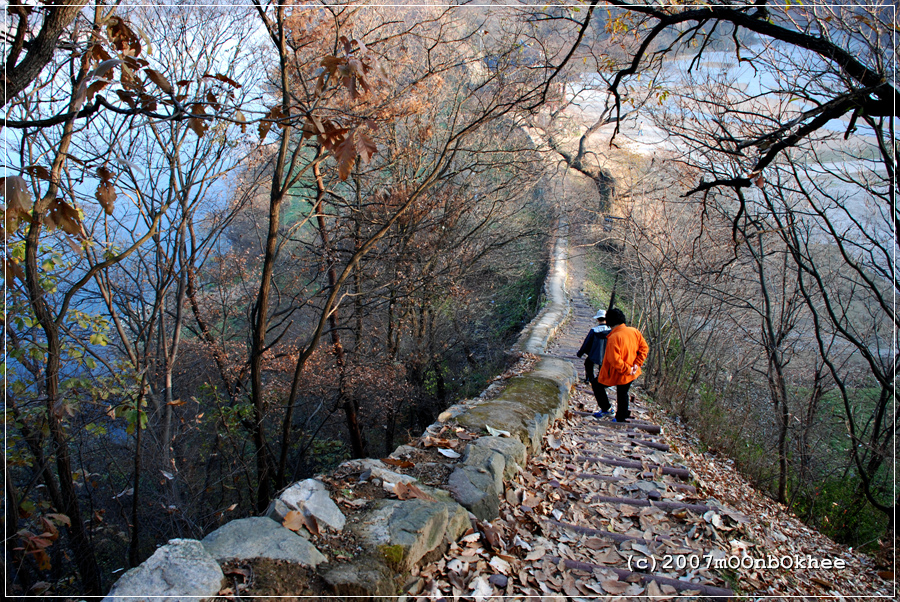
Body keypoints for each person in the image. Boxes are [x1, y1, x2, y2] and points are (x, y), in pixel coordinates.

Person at [597, 308, 648, 423]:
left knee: (598, 385)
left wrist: (628, 369)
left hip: (620, 372)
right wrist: (636, 364)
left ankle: (609, 410)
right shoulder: (634, 331)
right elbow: (644, 348)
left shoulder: (614, 338)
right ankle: (620, 417)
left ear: (609, 321)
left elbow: (614, 360)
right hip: (633, 371)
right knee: (623, 393)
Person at [576, 309, 613, 418]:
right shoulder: (610, 331)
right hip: (606, 356)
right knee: (602, 369)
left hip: (594, 354)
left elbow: (587, 342)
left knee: (588, 364)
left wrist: (581, 352)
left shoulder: (594, 330)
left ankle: (590, 379)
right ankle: (600, 380)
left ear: (597, 319)